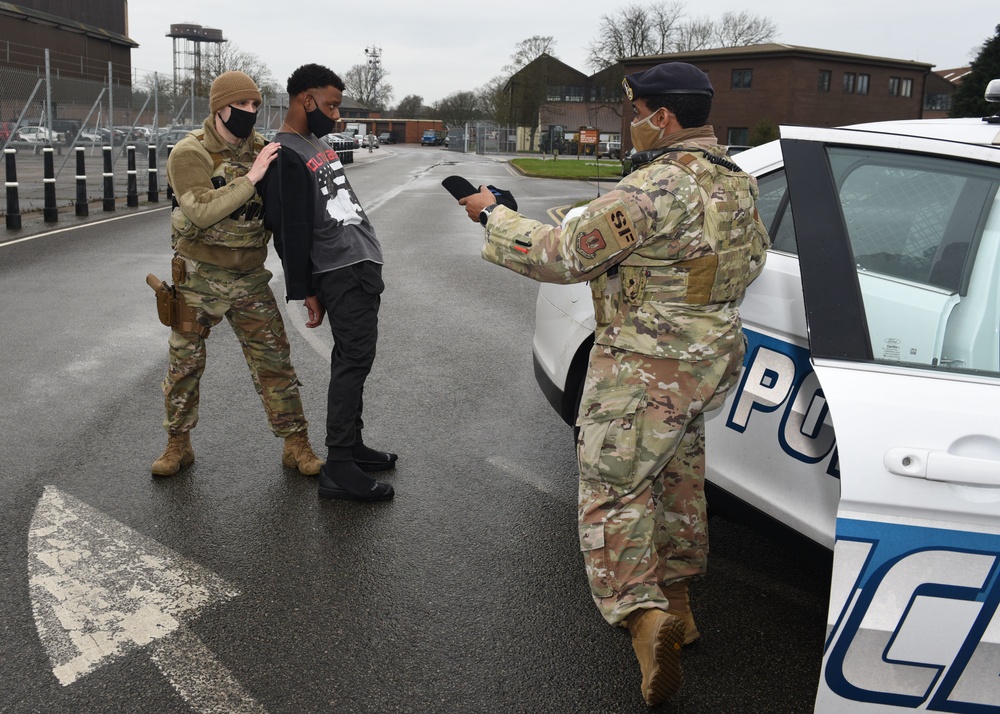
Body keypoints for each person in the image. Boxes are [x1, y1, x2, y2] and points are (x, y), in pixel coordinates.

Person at [456, 62, 770, 705]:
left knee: (611, 488)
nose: (632, 123)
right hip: (708, 361)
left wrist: (493, 217)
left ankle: (642, 618)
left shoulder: (653, 186)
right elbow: (752, 257)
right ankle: (679, 605)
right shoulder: (735, 181)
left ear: (664, 117)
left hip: (643, 367)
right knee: (677, 480)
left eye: (638, 112)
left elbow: (562, 255)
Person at [152, 70, 323, 479]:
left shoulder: (264, 149)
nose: (250, 112)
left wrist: (308, 282)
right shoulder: (189, 153)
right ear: (219, 107)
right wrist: (251, 178)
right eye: (242, 105)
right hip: (199, 278)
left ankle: (295, 443)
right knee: (184, 365)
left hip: (249, 276)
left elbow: (289, 219)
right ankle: (178, 443)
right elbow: (200, 210)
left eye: (255, 105)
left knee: (275, 363)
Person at [261, 63, 396, 502]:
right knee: (355, 360)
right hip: (338, 270)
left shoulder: (314, 143)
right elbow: (289, 230)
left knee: (352, 357)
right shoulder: (285, 153)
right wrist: (306, 291)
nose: (336, 113)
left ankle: (351, 445)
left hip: (357, 264)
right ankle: (338, 465)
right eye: (331, 104)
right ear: (306, 100)